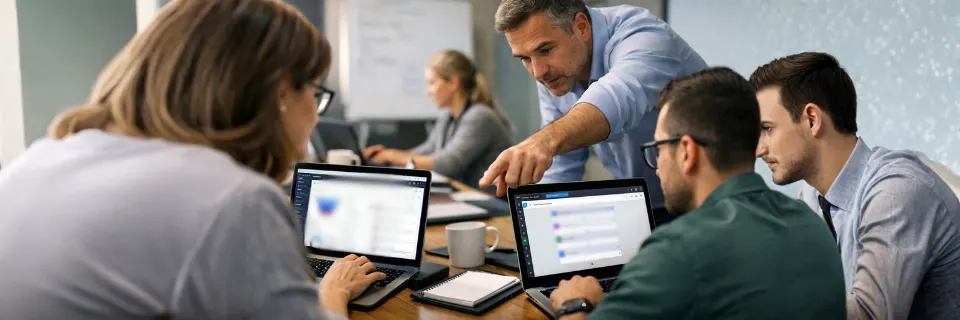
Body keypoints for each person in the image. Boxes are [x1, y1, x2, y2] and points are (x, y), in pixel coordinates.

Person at [0, 0, 384, 318]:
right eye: (315, 92)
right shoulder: (234, 200)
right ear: (281, 91)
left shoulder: (35, 162)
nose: (316, 115)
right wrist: (332, 294)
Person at [547, 67, 845, 319]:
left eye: (659, 149)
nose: (658, 168)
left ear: (687, 151)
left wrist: (575, 302)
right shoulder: (810, 223)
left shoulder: (678, 248)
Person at [751, 52, 960, 319]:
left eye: (768, 129)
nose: (759, 149)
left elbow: (869, 315)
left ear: (812, 120)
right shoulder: (812, 195)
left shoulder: (897, 192)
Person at [480, 0, 707, 225]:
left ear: (581, 27)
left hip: (704, 205)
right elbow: (561, 163)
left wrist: (543, 141)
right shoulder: (555, 73)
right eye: (525, 59)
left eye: (545, 50)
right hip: (643, 206)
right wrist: (538, 225)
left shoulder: (643, 37)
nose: (538, 72)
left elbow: (616, 98)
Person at [362, 50, 513, 189]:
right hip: (465, 197)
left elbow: (447, 164)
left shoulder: (480, 117)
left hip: (491, 203)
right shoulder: (447, 117)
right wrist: (384, 156)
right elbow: (425, 151)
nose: (428, 91)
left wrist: (394, 157)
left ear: (453, 83)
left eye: (432, 83)